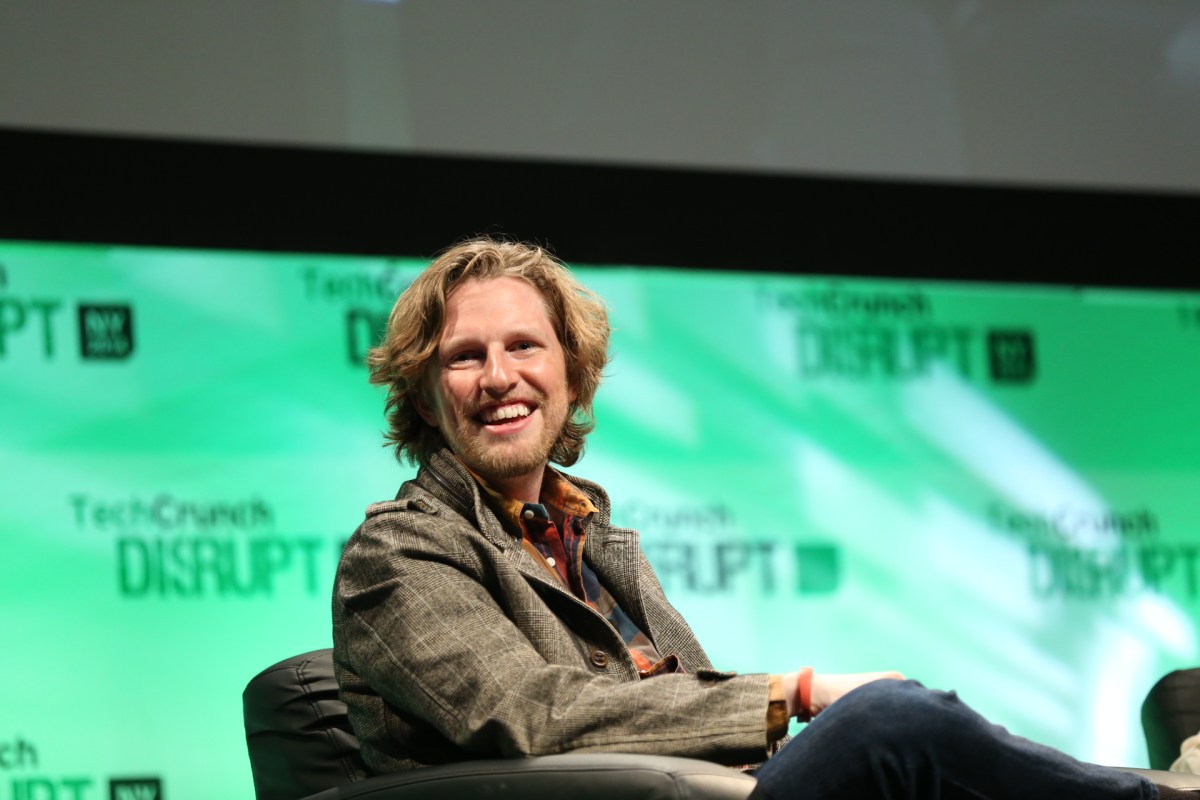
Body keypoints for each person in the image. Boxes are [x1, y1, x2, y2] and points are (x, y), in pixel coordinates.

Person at [332, 236, 1190, 799]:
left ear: (571, 373)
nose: (498, 376)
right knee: (888, 721)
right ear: (425, 396)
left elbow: (687, 720)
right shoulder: (399, 552)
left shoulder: (587, 536)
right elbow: (533, 713)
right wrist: (800, 694)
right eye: (464, 357)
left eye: (524, 345)